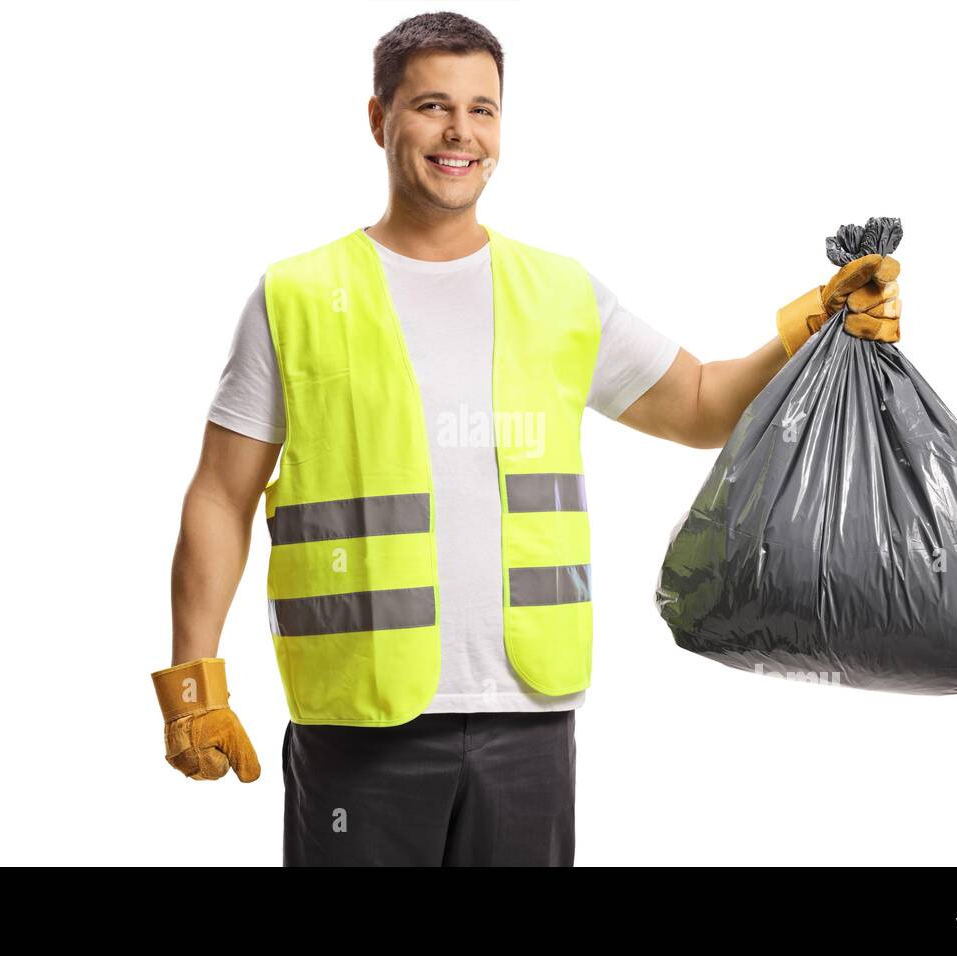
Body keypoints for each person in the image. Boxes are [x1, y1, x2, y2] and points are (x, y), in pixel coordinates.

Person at [150, 10, 901, 867]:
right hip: (358, 723)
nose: (460, 132)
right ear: (378, 119)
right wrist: (191, 682)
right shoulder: (295, 296)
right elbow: (220, 491)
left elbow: (698, 404)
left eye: (483, 109)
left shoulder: (559, 294)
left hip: (529, 722)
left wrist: (817, 323)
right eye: (433, 105)